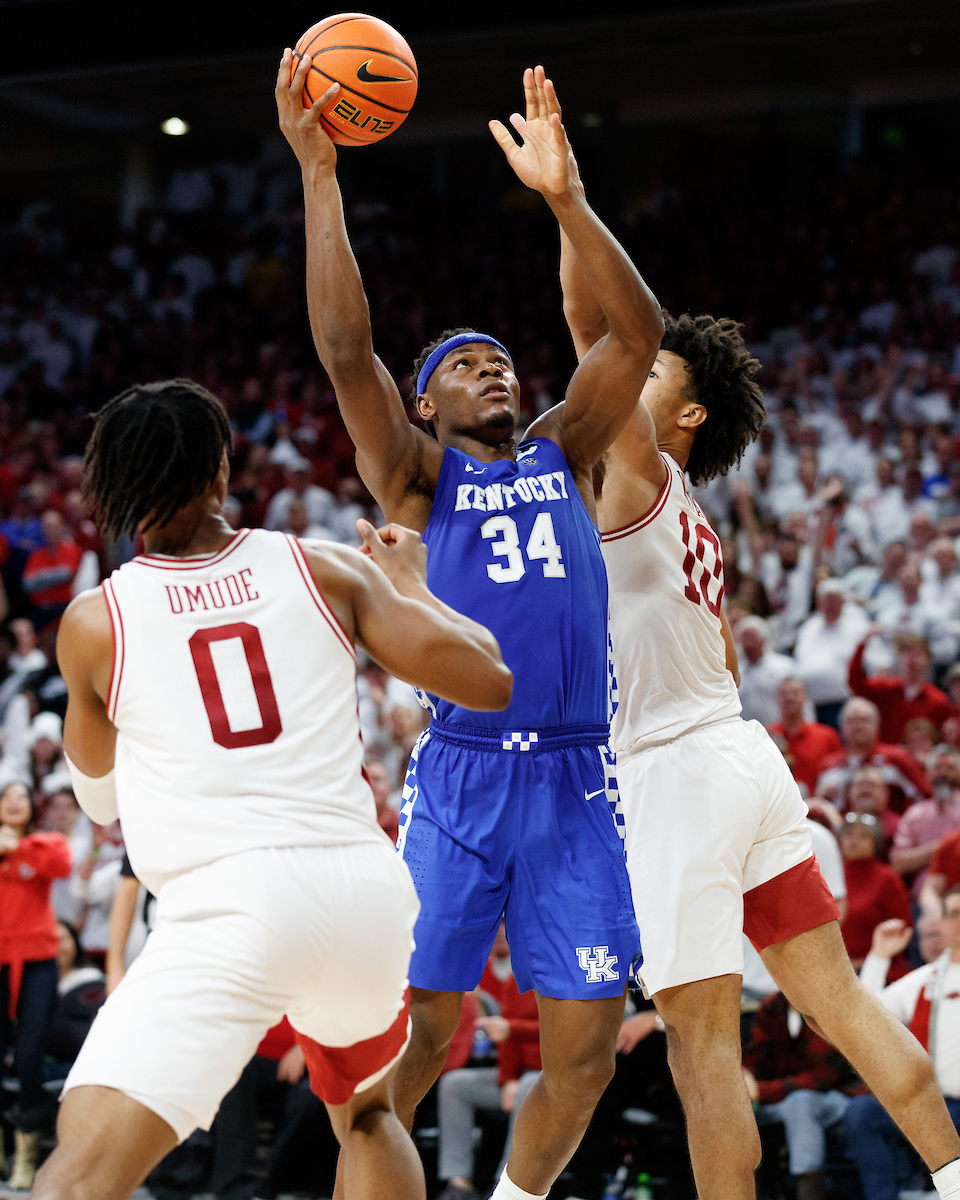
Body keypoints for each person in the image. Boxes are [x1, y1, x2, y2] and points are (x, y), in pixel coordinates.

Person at [279, 61, 664, 1200]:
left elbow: (636, 336)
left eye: (499, 357)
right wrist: (318, 175)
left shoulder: (567, 446)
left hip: (579, 781)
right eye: (461, 366)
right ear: (428, 402)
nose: (491, 368)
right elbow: (347, 353)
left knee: (586, 1062)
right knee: (423, 1039)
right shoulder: (414, 475)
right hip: (460, 778)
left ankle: (511, 1197)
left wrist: (567, 201)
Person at [31, 378, 512, 1200]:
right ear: (223, 472)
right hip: (364, 898)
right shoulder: (322, 566)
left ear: (112, 492)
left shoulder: (94, 622)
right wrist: (411, 587)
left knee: (78, 1173)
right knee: (365, 1115)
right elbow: (491, 680)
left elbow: (101, 804)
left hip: (235, 905)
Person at [560, 220, 960, 1200]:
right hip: (741, 759)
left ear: (687, 417)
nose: (628, 377)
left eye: (650, 374)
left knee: (701, 1056)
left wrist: (568, 204)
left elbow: (593, 331)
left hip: (677, 776)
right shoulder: (690, 515)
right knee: (839, 1003)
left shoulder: (644, 476)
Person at [847, 899, 960, 1200]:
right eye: (953, 913)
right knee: (861, 1114)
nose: (958, 921)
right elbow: (865, 1018)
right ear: (942, 923)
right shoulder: (926, 979)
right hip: (928, 1101)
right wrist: (879, 956)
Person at [0, 780, 72, 1190]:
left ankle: (26, 1155)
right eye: (6, 796)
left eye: (22, 796)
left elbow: (60, 868)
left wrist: (17, 848)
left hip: (37, 962)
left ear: (33, 805)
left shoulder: (47, 842)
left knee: (29, 1055)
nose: (14, 802)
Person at [743, 987, 861, 1200]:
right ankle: (746, 1188)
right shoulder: (772, 1005)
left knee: (800, 1103)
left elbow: (821, 1078)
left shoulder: (830, 1006)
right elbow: (756, 1057)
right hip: (780, 1096)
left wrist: (760, 1090)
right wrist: (745, 1078)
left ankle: (809, 1189)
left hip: (837, 1096)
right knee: (735, 1104)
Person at [815, 696, 931, 812]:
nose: (858, 726)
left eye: (864, 720)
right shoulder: (828, 765)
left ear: (876, 725)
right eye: (851, 721)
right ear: (841, 727)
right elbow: (816, 806)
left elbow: (923, 797)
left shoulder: (896, 758)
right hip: (842, 827)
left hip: (891, 828)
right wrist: (822, 799)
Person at [849, 631, 955, 745]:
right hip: (886, 758)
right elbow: (856, 683)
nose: (912, 658)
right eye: (907, 651)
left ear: (928, 659)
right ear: (898, 657)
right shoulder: (884, 689)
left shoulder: (938, 700)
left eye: (918, 653)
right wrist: (862, 643)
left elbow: (943, 738)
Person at [838, 813, 912, 973]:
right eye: (849, 834)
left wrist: (866, 962)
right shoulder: (829, 874)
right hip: (832, 969)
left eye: (863, 836)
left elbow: (902, 928)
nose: (854, 840)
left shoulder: (888, 878)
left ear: (875, 842)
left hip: (878, 968)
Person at [792, 578, 870, 728]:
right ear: (818, 602)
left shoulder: (857, 628)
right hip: (811, 704)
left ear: (842, 602)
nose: (830, 605)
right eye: (826, 600)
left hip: (843, 703)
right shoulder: (808, 628)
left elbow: (877, 663)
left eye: (834, 600)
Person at [767, 677, 841, 795]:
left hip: (816, 807)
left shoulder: (826, 736)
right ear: (776, 699)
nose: (790, 698)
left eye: (796, 693)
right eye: (784, 693)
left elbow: (837, 774)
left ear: (805, 698)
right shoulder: (765, 736)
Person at [736, 616, 794, 726]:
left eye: (752, 639)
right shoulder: (736, 673)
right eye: (744, 639)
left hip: (780, 731)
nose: (748, 645)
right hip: (748, 734)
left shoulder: (783, 666)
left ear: (762, 640)